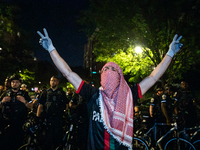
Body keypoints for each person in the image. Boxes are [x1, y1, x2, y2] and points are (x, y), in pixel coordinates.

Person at [37, 28, 183, 149]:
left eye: (114, 69)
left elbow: (153, 78)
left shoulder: (129, 94)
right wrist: (51, 49)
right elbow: (67, 73)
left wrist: (169, 54)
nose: (109, 71)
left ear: (120, 77)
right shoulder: (92, 94)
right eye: (105, 69)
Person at [0, 74, 32, 150]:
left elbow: (31, 106)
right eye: (13, 82)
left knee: (18, 144)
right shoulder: (5, 93)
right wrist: (2, 102)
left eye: (17, 82)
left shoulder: (25, 94)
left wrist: (24, 101)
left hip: (20, 123)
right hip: (7, 123)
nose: (14, 84)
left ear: (20, 83)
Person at [36, 76, 69, 150]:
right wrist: (37, 117)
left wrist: (66, 113)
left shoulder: (61, 93)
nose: (52, 82)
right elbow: (40, 105)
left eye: (54, 81)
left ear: (57, 82)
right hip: (47, 119)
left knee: (58, 140)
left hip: (58, 119)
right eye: (51, 80)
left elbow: (66, 104)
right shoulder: (45, 93)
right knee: (47, 140)